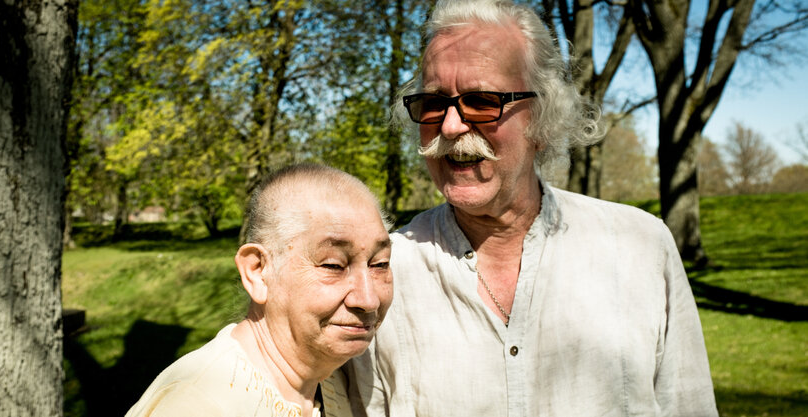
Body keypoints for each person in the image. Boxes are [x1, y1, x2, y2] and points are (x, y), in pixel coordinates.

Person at [344, 0, 719, 415]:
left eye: (482, 100)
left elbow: (690, 405)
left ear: (542, 119)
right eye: (433, 104)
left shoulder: (640, 246)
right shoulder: (382, 276)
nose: (450, 126)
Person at [126, 164, 393, 417]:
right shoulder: (200, 402)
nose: (368, 300)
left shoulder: (327, 380)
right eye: (333, 265)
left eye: (379, 263)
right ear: (258, 272)